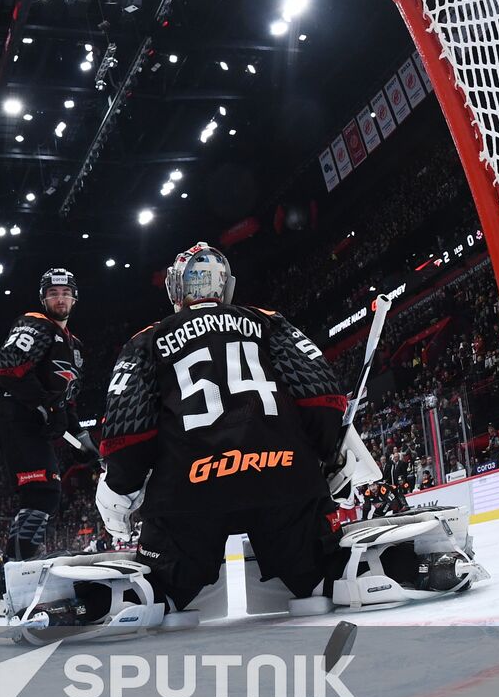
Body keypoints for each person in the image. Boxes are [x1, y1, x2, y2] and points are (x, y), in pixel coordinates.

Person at [94, 242, 349, 615]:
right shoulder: (268, 321)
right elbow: (322, 396)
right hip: (285, 481)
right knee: (322, 579)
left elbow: (127, 433)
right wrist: (329, 454)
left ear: (177, 288)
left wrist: (118, 485)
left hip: (187, 495)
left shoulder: (146, 340)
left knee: (161, 593)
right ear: (225, 285)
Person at [0, 268, 97, 616]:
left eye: (66, 293)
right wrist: (45, 404)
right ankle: (9, 587)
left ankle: (5, 586)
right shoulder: (35, 324)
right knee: (43, 492)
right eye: (53, 293)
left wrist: (84, 441)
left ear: (75, 298)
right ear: (43, 298)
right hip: (15, 414)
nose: (60, 298)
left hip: (34, 419)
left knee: (44, 495)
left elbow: (68, 403)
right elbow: (8, 367)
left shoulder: (76, 348)